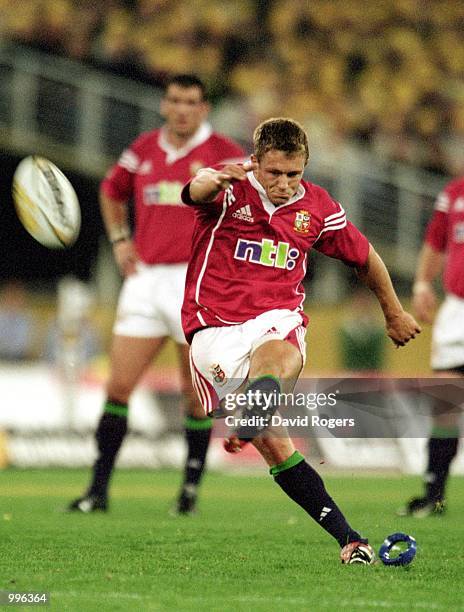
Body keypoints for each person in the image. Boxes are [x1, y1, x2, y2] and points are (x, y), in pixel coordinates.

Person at [181, 117, 420, 563]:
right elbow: (197, 187)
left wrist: (393, 310)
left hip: (276, 317)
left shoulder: (319, 207)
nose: (285, 184)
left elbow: (364, 257)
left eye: (295, 174)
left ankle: (353, 543)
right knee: (278, 449)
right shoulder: (229, 186)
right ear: (255, 162)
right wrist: (214, 177)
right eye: (274, 173)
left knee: (277, 351)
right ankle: (261, 414)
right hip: (213, 329)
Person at [68, 74, 245, 514]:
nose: (182, 109)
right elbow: (111, 191)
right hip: (146, 281)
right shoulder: (143, 149)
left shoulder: (225, 154)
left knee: (194, 394)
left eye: (191, 102)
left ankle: (188, 493)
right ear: (164, 105)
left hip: (196, 281)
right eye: (174, 100)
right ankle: (98, 491)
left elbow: (251, 207)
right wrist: (120, 239)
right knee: (118, 386)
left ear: (203, 109)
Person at [399, 177, 464, 517]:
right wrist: (423, 282)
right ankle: (433, 494)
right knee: (445, 406)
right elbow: (435, 242)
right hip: (457, 309)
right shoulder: (454, 193)